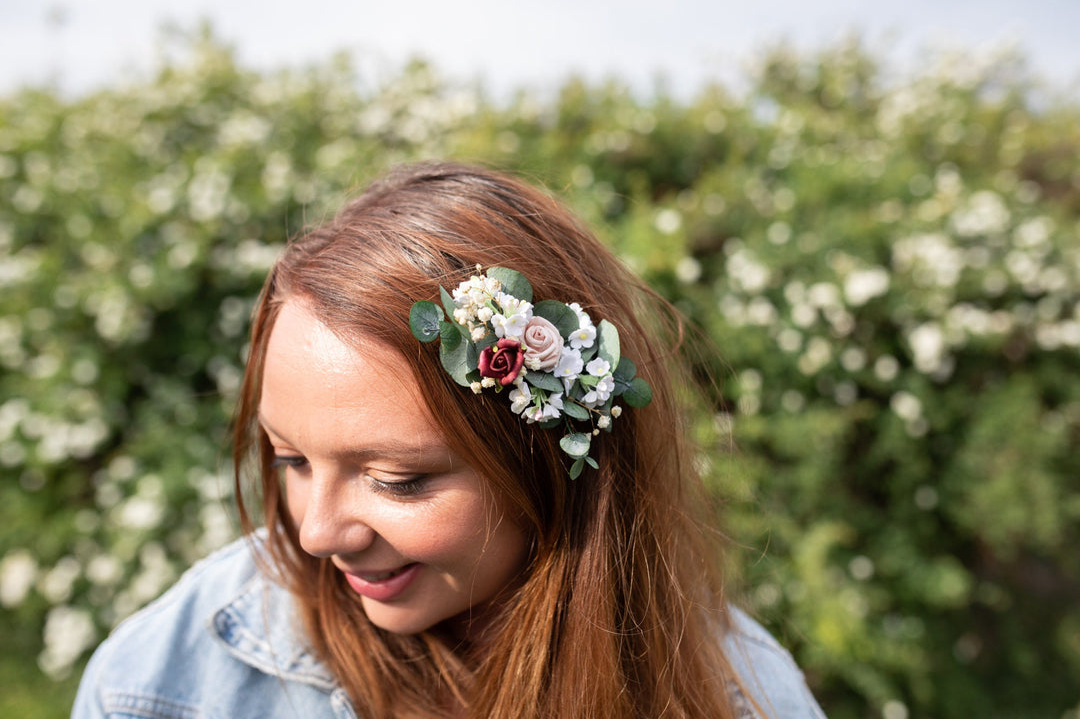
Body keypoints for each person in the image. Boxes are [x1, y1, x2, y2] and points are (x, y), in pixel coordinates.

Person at [72, 162, 826, 718]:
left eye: (397, 479)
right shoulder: (168, 680)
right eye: (289, 459)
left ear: (553, 463)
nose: (315, 532)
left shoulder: (741, 699)